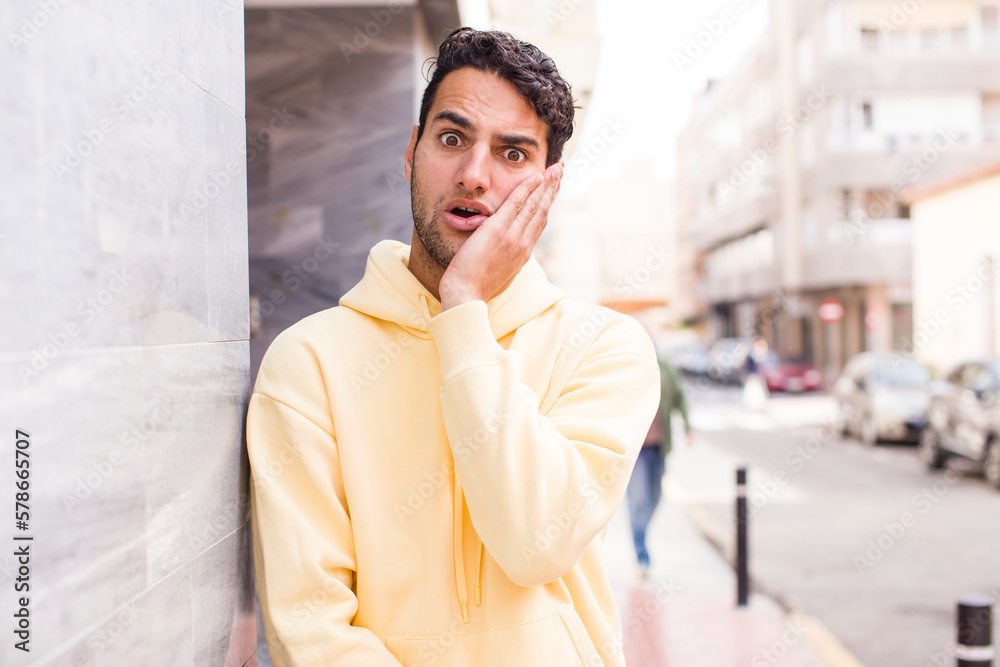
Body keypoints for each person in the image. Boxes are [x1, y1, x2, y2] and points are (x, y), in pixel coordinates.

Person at [247, 28, 660, 666]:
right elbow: (310, 627)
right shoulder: (309, 363)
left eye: (513, 154)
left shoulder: (603, 347)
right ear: (411, 152)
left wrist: (462, 312)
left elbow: (536, 543)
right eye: (452, 138)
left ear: (549, 185)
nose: (474, 175)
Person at [626, 346, 692, 579]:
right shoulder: (627, 370)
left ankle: (640, 526)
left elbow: (679, 397)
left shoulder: (665, 368)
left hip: (659, 446)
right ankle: (642, 556)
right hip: (636, 451)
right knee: (640, 501)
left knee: (654, 498)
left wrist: (687, 427)